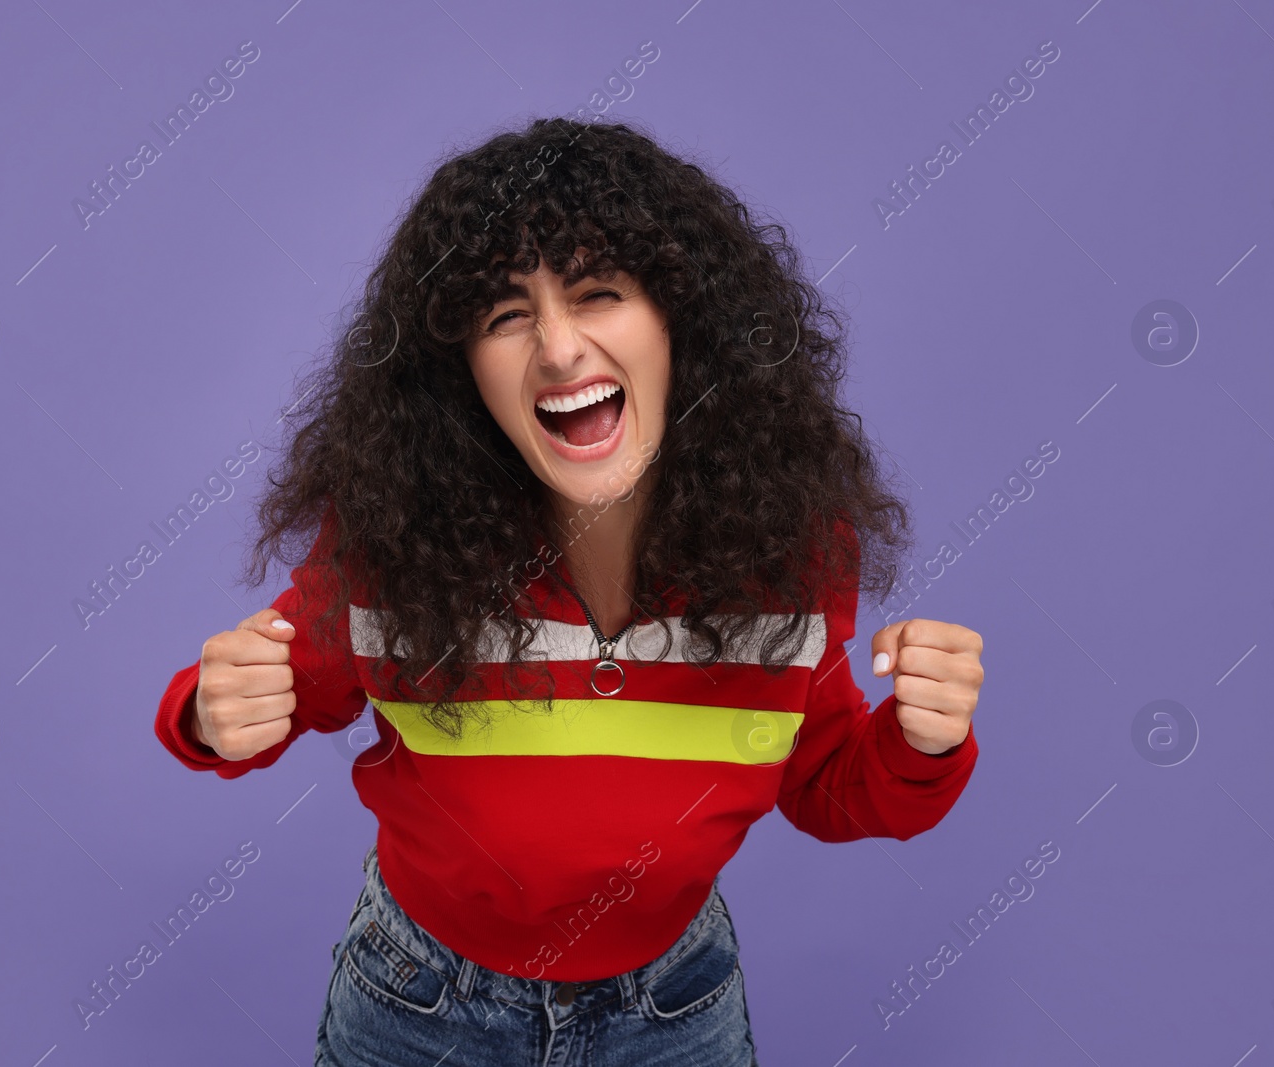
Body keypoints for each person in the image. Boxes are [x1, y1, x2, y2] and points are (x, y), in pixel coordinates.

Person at [153, 115, 984, 1066]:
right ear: (459, 371)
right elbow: (248, 693)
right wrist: (209, 716)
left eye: (598, 294)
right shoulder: (397, 552)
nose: (556, 348)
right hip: (421, 1005)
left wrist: (923, 739)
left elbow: (828, 786)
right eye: (506, 316)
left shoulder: (786, 555)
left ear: (683, 325)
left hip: (674, 1009)